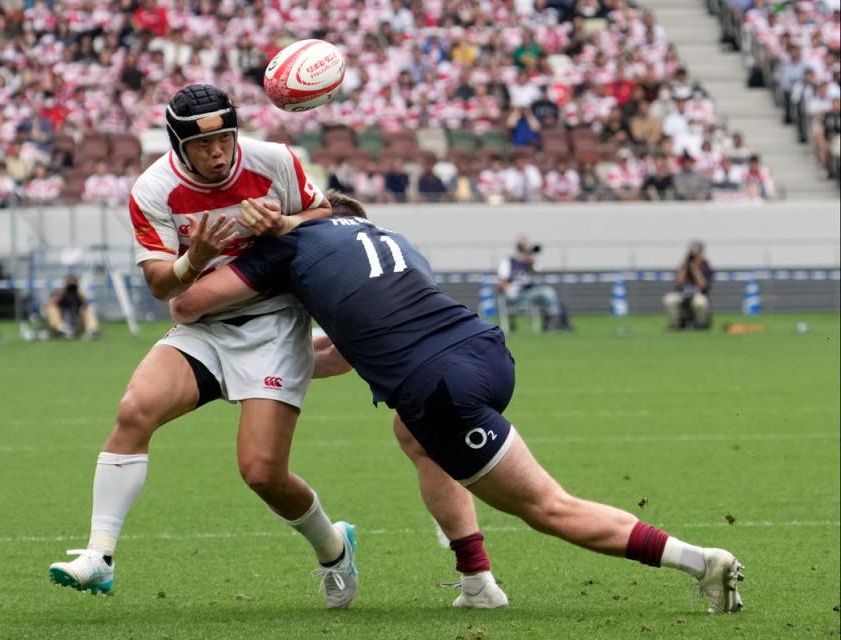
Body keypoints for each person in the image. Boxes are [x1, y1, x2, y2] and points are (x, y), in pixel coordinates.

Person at [170, 193, 745, 616]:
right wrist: (246, 379)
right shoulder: (389, 239)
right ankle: (477, 583)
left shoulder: (288, 247)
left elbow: (190, 306)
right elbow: (343, 355)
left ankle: (701, 562)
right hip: (484, 352)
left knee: (548, 506)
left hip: (439, 386)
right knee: (413, 434)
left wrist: (198, 262)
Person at [47, 85, 506, 610]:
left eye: (224, 139)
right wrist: (194, 259)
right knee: (134, 410)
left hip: (273, 326)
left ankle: (334, 550)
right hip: (205, 330)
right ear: (177, 144)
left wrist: (287, 223)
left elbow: (323, 220)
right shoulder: (153, 190)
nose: (217, 153)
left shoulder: (276, 161)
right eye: (203, 146)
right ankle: (99, 557)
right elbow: (159, 284)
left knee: (261, 472)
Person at [496, 236, 570, 332]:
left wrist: (530, 262)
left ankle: (551, 322)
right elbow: (502, 281)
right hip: (514, 293)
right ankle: (512, 322)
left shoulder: (530, 260)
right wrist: (509, 288)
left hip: (529, 292)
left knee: (548, 292)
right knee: (511, 294)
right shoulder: (508, 261)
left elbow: (536, 272)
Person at [663, 241, 713, 330]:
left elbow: (703, 285)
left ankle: (700, 324)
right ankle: (675, 324)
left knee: (700, 302)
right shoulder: (684, 266)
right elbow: (679, 281)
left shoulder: (705, 266)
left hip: (698, 294)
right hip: (683, 294)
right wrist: (686, 265)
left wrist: (695, 269)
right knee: (669, 299)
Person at [45, 275, 100, 339]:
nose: (71, 287)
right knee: (51, 308)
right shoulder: (58, 294)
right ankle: (61, 330)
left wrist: (79, 293)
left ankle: (92, 331)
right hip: (61, 325)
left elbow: (87, 305)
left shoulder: (79, 295)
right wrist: (63, 293)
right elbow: (48, 305)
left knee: (88, 309)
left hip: (76, 325)